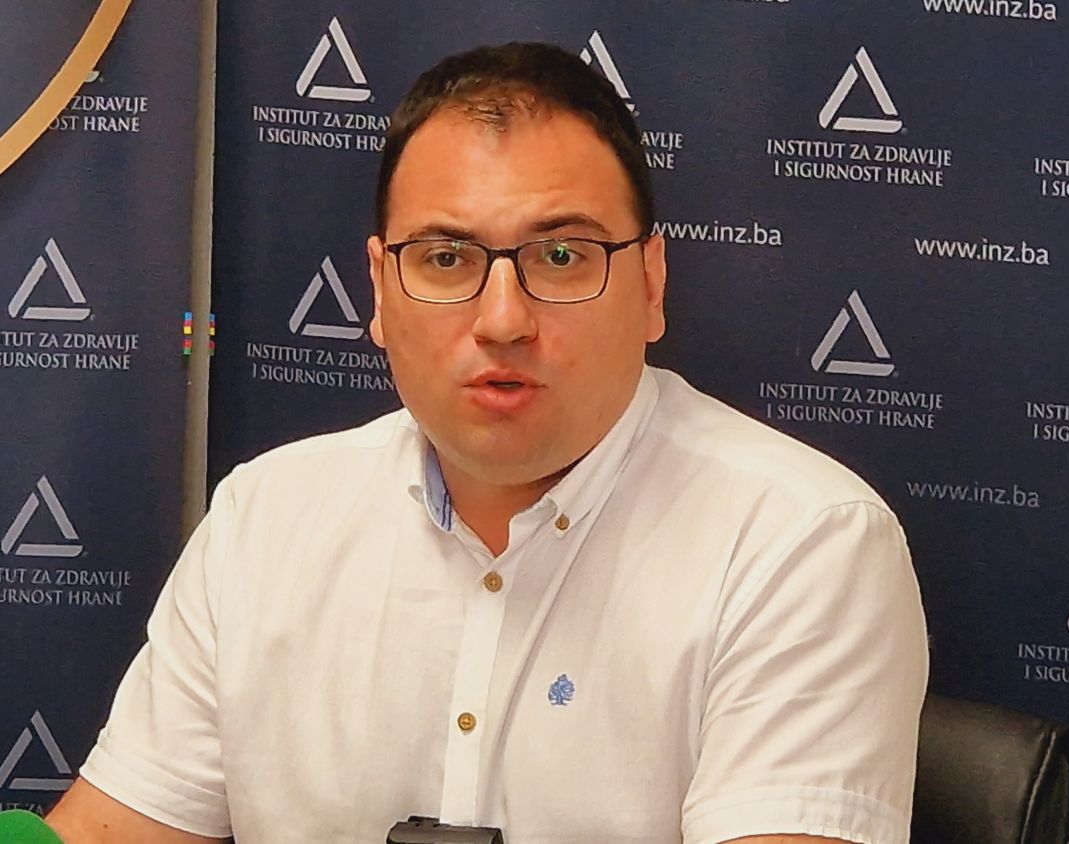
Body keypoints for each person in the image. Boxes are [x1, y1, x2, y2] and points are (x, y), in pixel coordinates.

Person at [44, 42, 927, 844]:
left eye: (562, 258)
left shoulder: (799, 541)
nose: (503, 320)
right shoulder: (266, 519)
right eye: (445, 259)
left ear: (652, 284)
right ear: (379, 292)